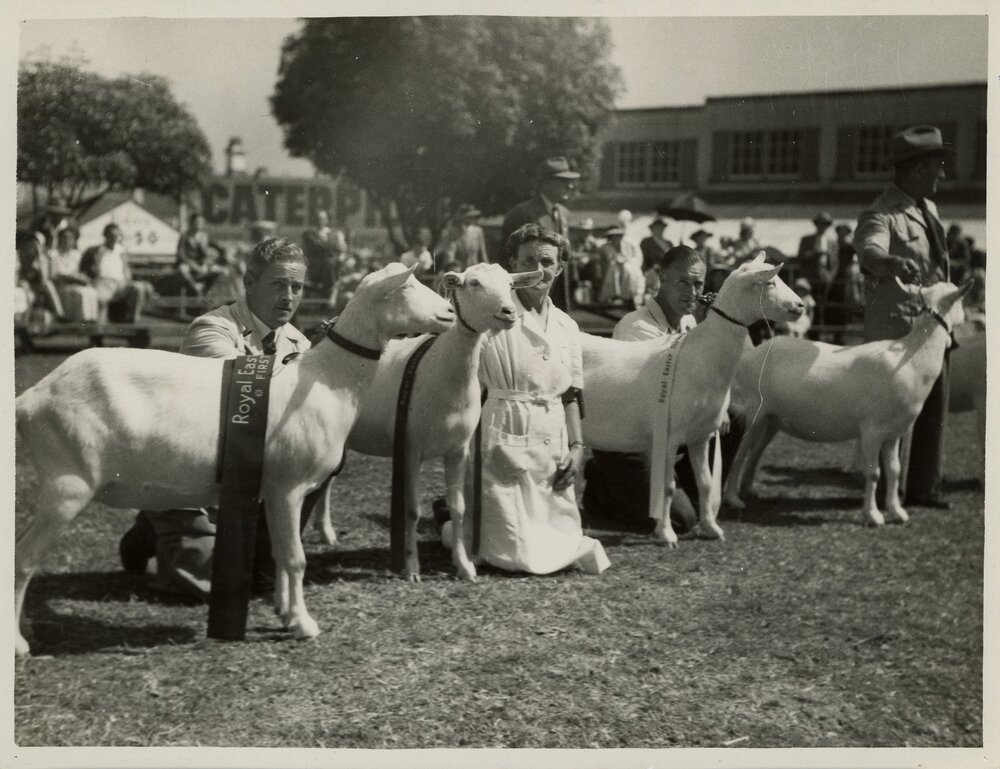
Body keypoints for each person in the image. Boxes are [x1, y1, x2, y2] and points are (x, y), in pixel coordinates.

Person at [118, 237, 317, 599]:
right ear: (250, 282)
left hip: (248, 480)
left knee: (249, 581)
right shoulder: (211, 328)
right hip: (190, 477)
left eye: (297, 286)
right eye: (278, 284)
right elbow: (244, 389)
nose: (289, 296)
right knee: (210, 587)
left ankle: (251, 553)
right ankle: (153, 523)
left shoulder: (301, 343)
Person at [444, 223, 609, 575]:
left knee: (563, 538)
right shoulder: (494, 314)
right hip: (505, 432)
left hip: (553, 440)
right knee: (516, 554)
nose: (538, 269)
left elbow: (571, 392)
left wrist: (578, 447)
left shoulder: (567, 325)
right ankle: (462, 522)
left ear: (560, 268)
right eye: (528, 260)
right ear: (513, 267)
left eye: (547, 261)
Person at [854, 124, 953, 509]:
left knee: (935, 406)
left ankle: (924, 488)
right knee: (892, 412)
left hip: (933, 327)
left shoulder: (928, 208)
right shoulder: (880, 214)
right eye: (936, 167)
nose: (943, 175)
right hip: (898, 330)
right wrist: (889, 261)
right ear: (915, 170)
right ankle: (885, 492)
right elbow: (869, 251)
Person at [583, 246, 711, 533]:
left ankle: (683, 493)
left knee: (734, 419)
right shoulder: (635, 326)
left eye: (698, 283)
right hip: (627, 440)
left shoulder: (690, 321)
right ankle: (602, 487)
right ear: (661, 278)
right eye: (682, 282)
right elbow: (667, 391)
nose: (692, 292)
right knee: (682, 521)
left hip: (664, 433)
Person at [500, 156, 580, 309]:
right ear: (546, 183)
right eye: (563, 181)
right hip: (525, 301)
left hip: (556, 299)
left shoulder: (563, 213)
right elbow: (507, 260)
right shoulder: (522, 214)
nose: (570, 186)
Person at [80, 223, 153, 323]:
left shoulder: (121, 251)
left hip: (120, 284)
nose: (114, 238)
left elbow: (126, 269)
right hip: (103, 283)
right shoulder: (95, 250)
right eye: (111, 235)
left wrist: (127, 279)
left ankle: (132, 322)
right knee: (101, 300)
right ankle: (99, 332)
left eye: (116, 235)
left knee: (138, 288)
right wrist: (94, 277)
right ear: (105, 236)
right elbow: (86, 268)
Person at [796, 212, 839, 334]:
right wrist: (813, 254)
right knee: (806, 305)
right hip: (809, 278)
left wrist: (830, 277)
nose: (822, 227)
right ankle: (805, 331)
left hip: (824, 278)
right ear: (816, 225)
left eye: (825, 224)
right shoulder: (807, 240)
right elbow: (800, 258)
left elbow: (835, 263)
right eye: (820, 224)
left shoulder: (832, 243)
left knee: (822, 306)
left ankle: (819, 333)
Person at [46, 227, 99, 322]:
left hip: (75, 284)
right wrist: (71, 278)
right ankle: (81, 321)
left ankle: (91, 321)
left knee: (91, 291)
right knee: (80, 293)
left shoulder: (77, 255)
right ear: (60, 239)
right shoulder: (53, 254)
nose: (67, 240)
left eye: (70, 238)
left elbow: (81, 272)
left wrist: (84, 279)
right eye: (65, 237)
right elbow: (53, 276)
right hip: (60, 286)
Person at [176, 212, 228, 297]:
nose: (199, 224)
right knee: (183, 269)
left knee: (222, 270)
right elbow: (181, 255)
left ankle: (212, 294)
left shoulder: (204, 236)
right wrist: (195, 266)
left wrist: (205, 264)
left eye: (201, 222)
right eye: (196, 222)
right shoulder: (185, 236)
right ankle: (197, 288)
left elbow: (209, 252)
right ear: (191, 223)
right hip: (189, 264)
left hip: (201, 264)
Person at [301, 209, 348, 300]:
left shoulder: (335, 234)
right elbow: (315, 246)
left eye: (322, 219)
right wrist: (333, 247)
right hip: (315, 265)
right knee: (329, 262)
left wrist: (337, 251)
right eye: (318, 219)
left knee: (334, 263)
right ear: (314, 220)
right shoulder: (309, 234)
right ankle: (329, 289)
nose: (320, 221)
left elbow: (342, 248)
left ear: (326, 220)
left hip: (333, 265)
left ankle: (331, 289)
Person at [597, 226, 645, 308]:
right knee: (614, 268)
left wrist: (626, 261)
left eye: (618, 236)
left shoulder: (631, 244)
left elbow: (639, 259)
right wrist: (619, 260)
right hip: (611, 268)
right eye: (613, 237)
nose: (616, 239)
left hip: (631, 266)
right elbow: (610, 258)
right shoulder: (606, 247)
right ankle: (614, 295)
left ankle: (631, 296)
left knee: (630, 270)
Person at [441, 204, 489, 270]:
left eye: (473, 216)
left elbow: (483, 252)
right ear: (462, 217)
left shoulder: (478, 231)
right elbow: (450, 252)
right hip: (459, 269)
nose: (472, 218)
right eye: (469, 216)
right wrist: (451, 267)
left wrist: (487, 267)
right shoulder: (455, 232)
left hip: (475, 269)